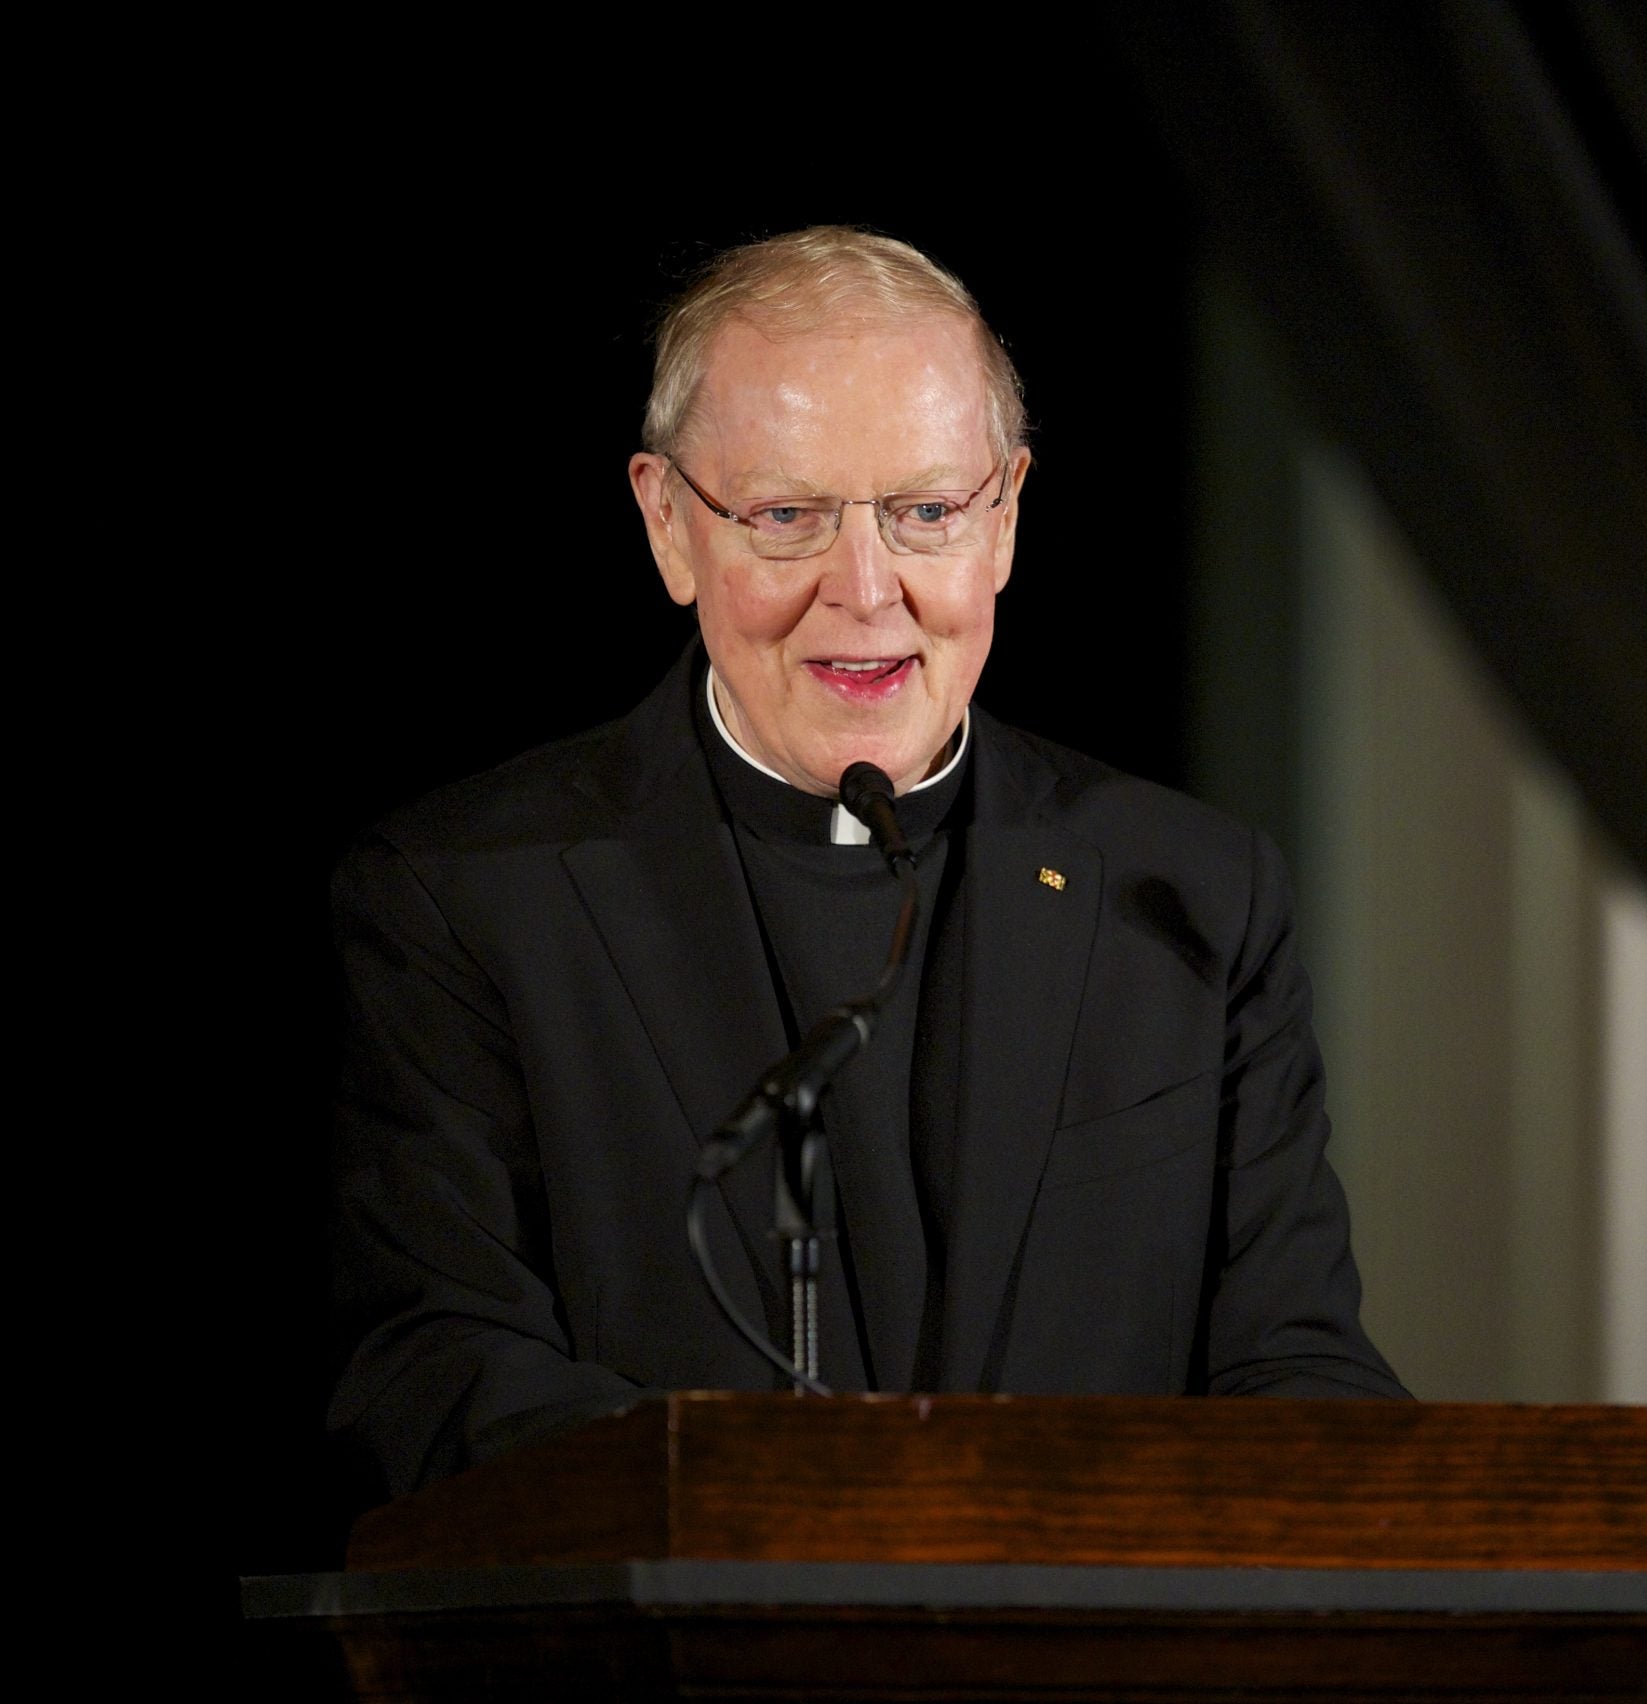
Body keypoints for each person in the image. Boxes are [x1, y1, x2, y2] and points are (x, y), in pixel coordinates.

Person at [328, 228, 1403, 1502]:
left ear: (1003, 519)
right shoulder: (467, 898)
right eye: (786, 518)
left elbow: (1295, 1369)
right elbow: (438, 1368)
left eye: (925, 513)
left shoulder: (1188, 896)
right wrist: (774, 1522)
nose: (866, 587)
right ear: (669, 526)